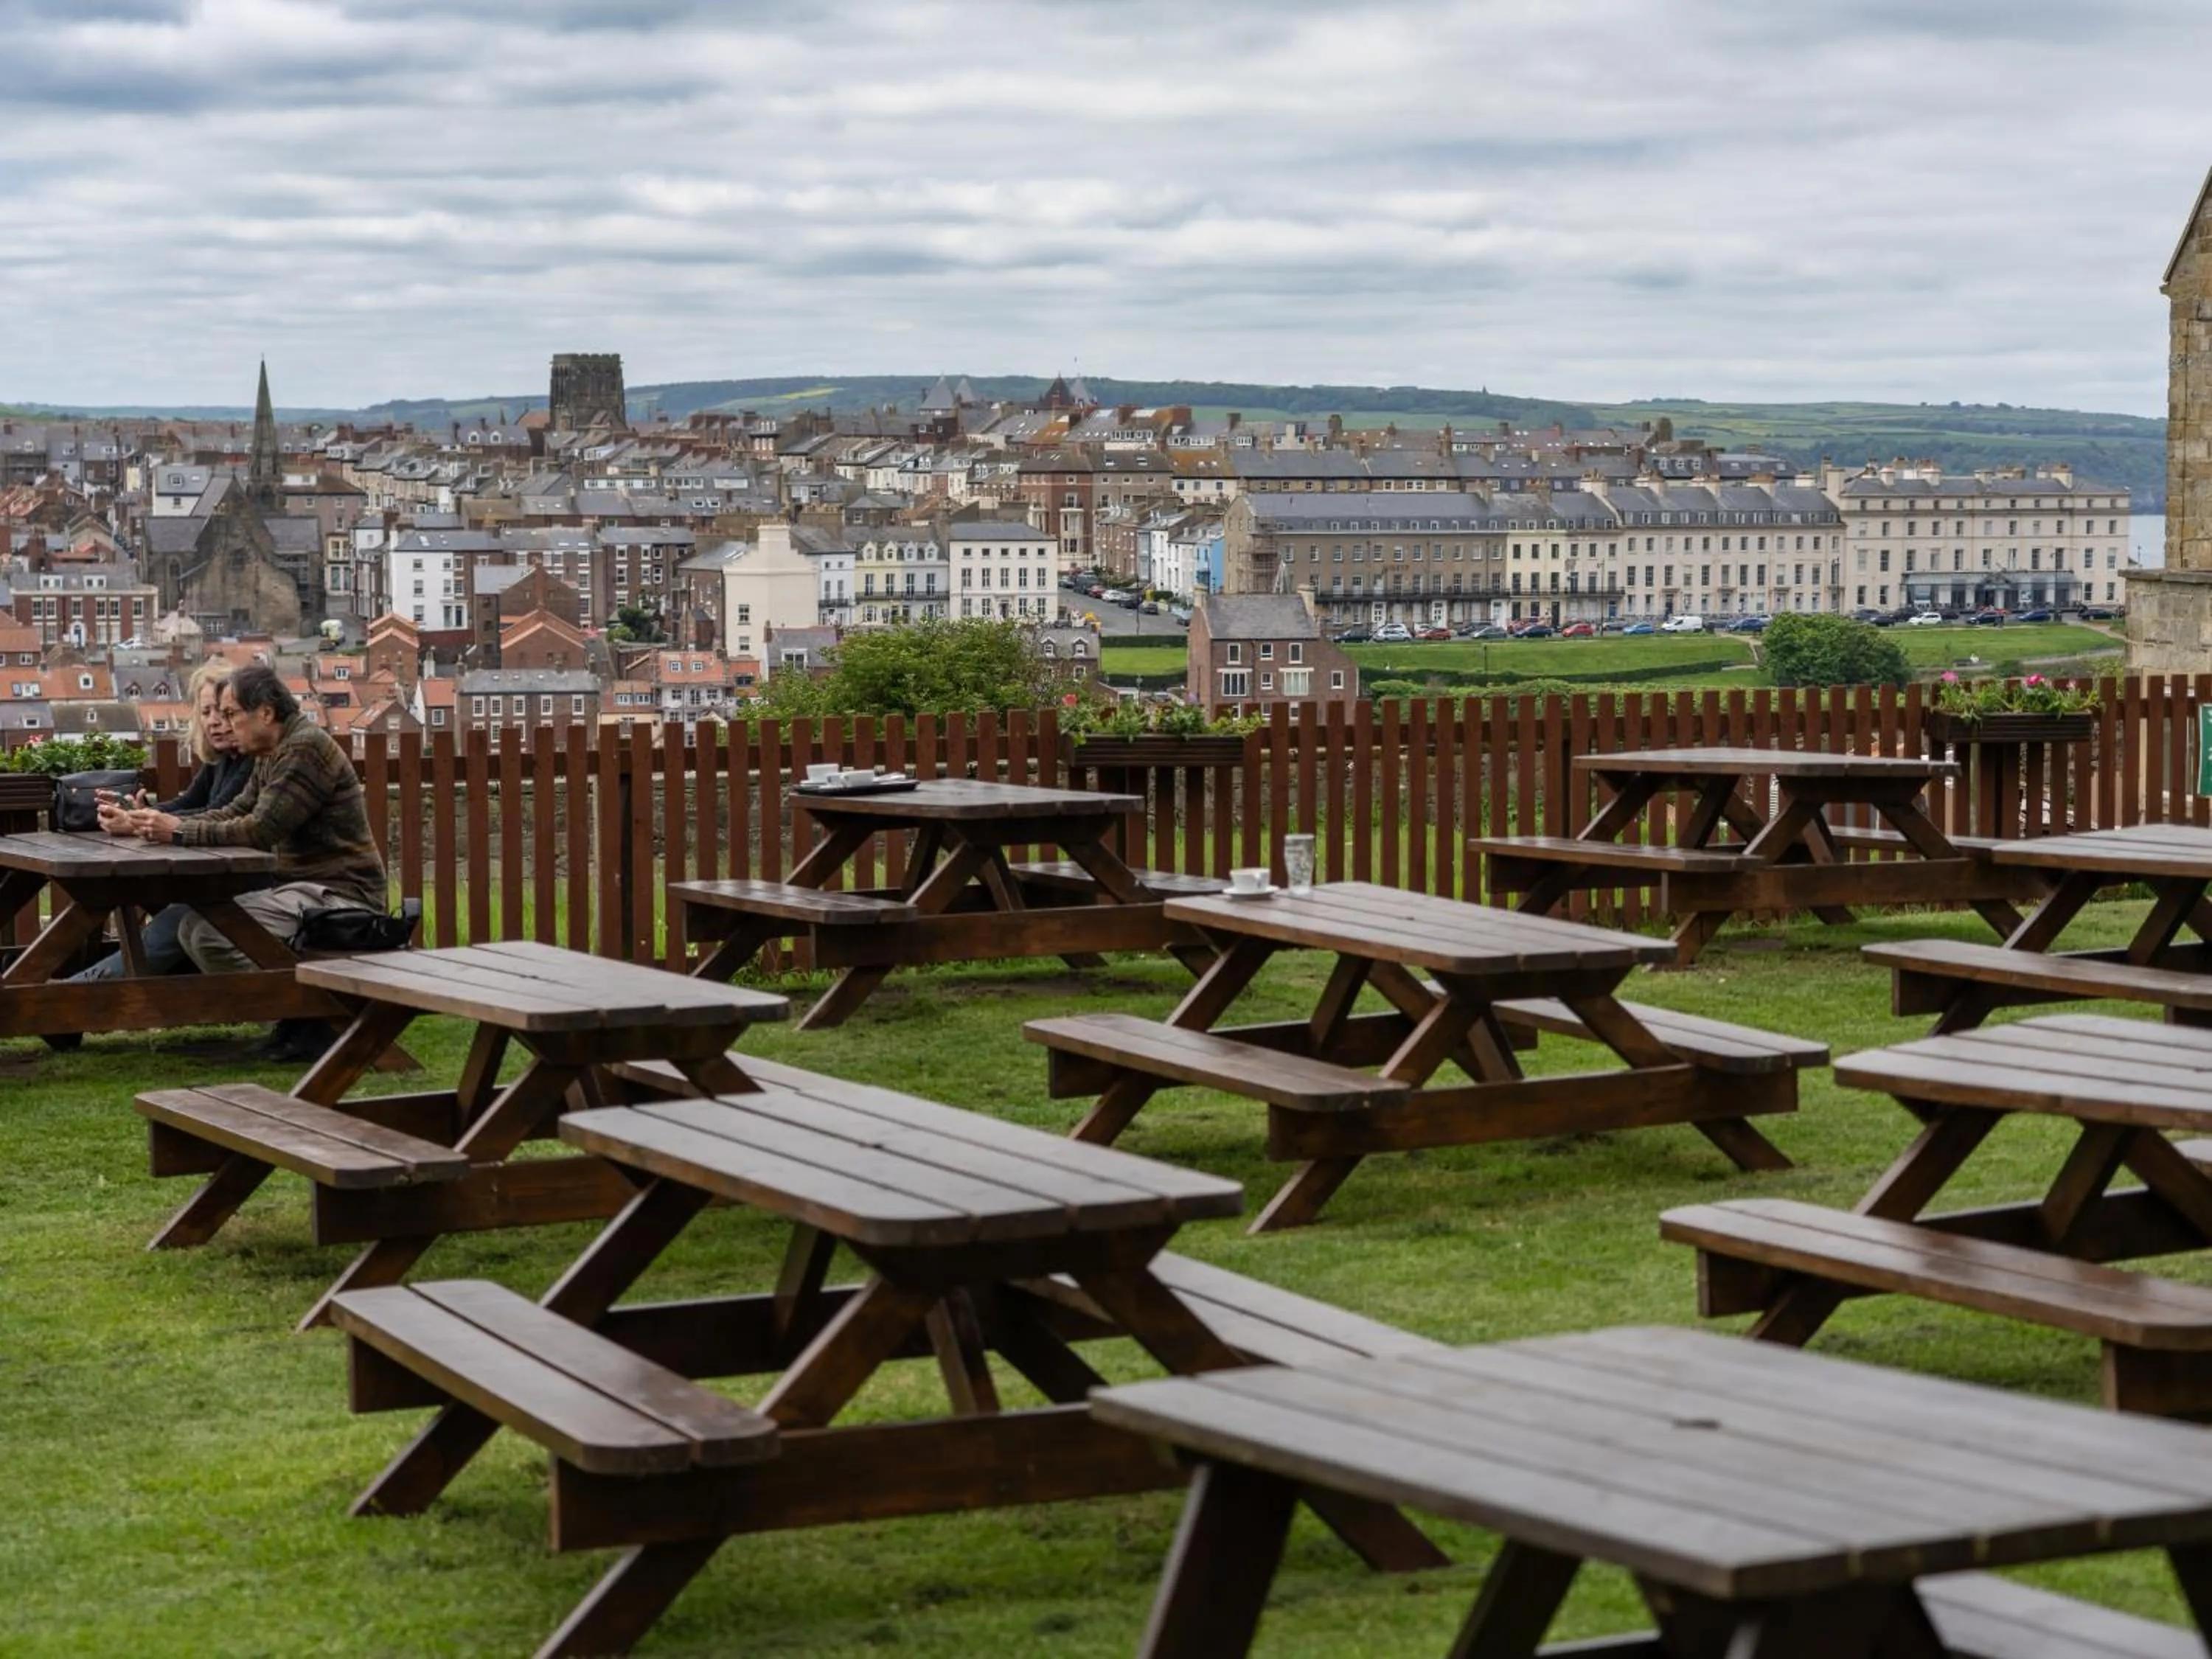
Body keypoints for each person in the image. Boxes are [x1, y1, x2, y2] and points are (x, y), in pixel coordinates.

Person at [111, 664, 389, 1058]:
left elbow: (261, 828)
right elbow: (235, 810)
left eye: (231, 714)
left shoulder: (305, 749)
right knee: (195, 928)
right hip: (302, 891)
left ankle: (312, 1021)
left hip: (342, 895)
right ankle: (298, 1021)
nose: (223, 724)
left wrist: (178, 831)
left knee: (209, 931)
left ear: (265, 713)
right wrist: (156, 823)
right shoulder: (272, 752)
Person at [74, 659, 249, 984]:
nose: (215, 722)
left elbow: (222, 813)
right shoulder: (222, 762)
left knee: (186, 912)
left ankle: (76, 994)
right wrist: (140, 814)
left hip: (253, 883)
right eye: (207, 712)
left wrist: (144, 821)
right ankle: (71, 985)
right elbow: (187, 804)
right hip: (221, 878)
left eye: (225, 713)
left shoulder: (253, 762)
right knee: (156, 899)